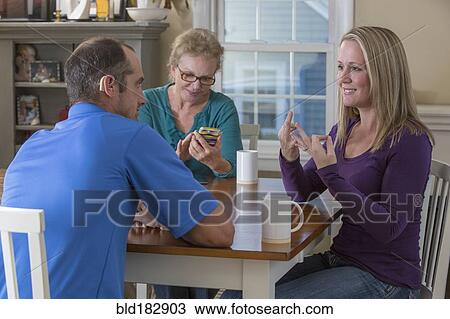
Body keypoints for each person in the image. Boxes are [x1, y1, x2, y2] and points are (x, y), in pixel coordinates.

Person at [0, 37, 234, 299]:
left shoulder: (30, 147)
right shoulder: (131, 136)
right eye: (138, 84)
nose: (143, 98)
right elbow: (220, 232)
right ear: (109, 85)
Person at [224, 26, 434, 299]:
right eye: (340, 66)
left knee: (264, 304)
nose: (342, 78)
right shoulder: (345, 129)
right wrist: (289, 158)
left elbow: (389, 228)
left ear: (384, 74)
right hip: (341, 260)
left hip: (387, 279)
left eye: (355, 68)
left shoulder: (409, 140)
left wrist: (331, 175)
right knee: (235, 296)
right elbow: (303, 193)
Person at [138, 28, 243, 182]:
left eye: (206, 78)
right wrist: (176, 161)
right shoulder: (147, 102)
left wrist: (217, 164)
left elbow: (236, 169)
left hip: (211, 198)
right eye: (188, 75)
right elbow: (138, 167)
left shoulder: (222, 107)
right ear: (173, 70)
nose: (196, 86)